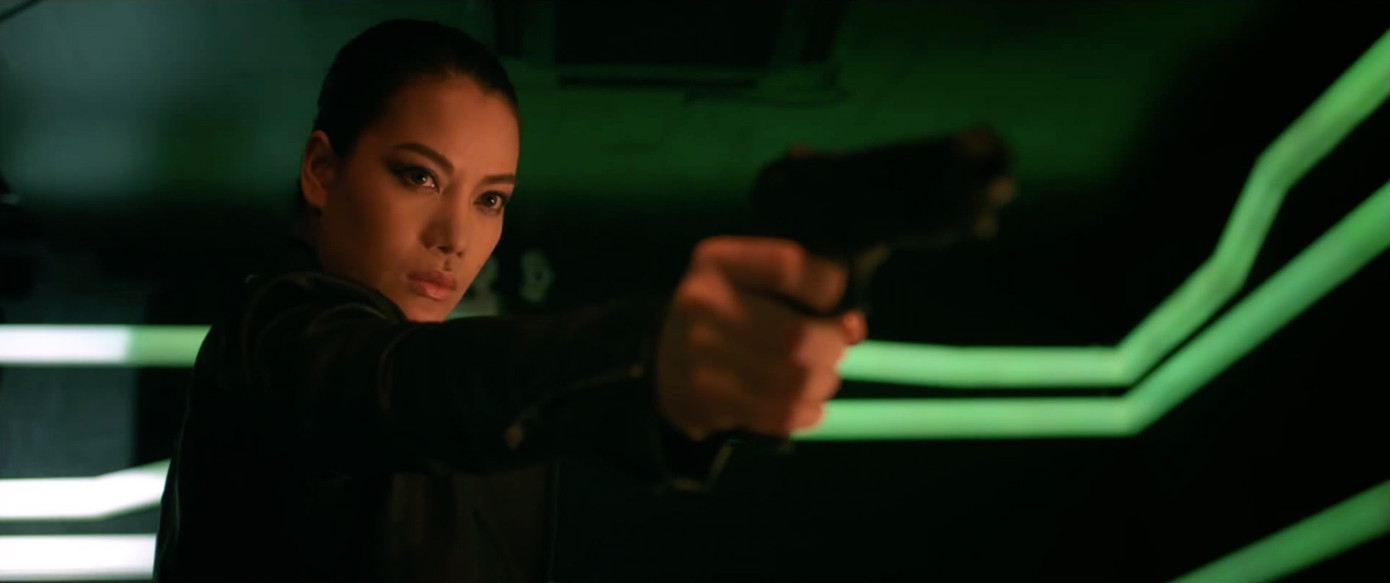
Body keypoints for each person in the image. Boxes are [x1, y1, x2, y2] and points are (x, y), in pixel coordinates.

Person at [152, 19, 866, 583]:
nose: (456, 237)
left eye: (490, 199)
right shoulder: (273, 339)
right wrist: (646, 358)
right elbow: (394, 382)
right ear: (321, 170)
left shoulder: (480, 406)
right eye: (420, 177)